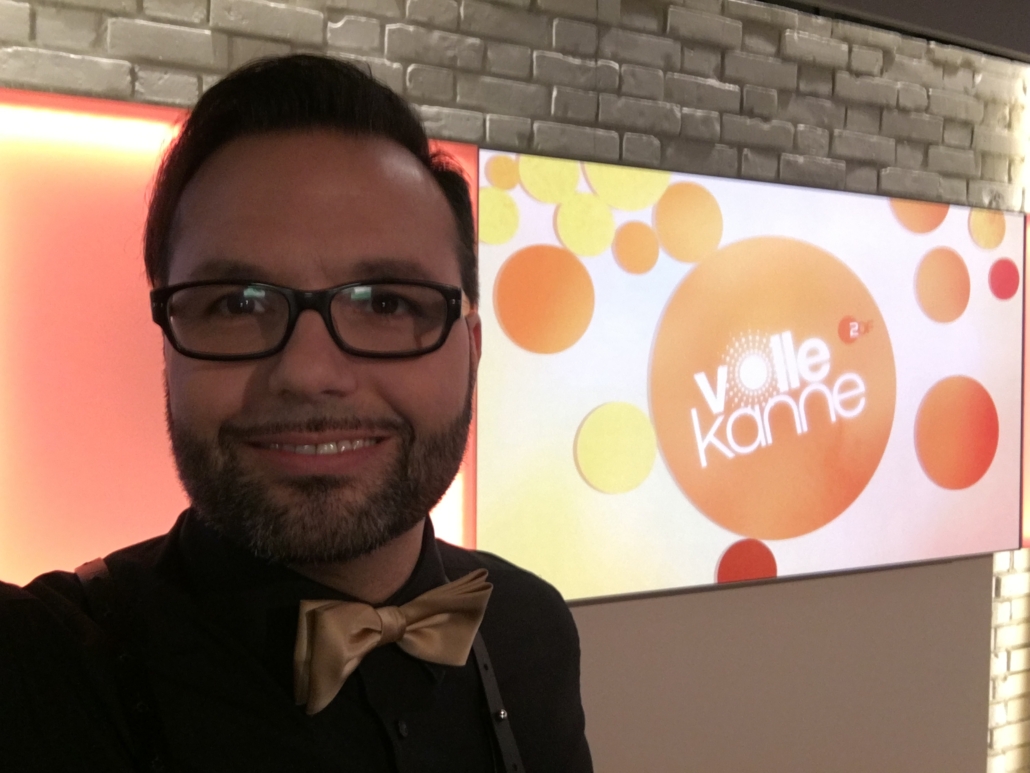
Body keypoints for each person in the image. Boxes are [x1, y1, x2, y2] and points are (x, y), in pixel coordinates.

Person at [0, 54, 592, 772]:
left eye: (386, 302)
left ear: (469, 348)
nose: (309, 373)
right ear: (167, 344)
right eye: (237, 304)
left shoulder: (531, 627)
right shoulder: (42, 664)